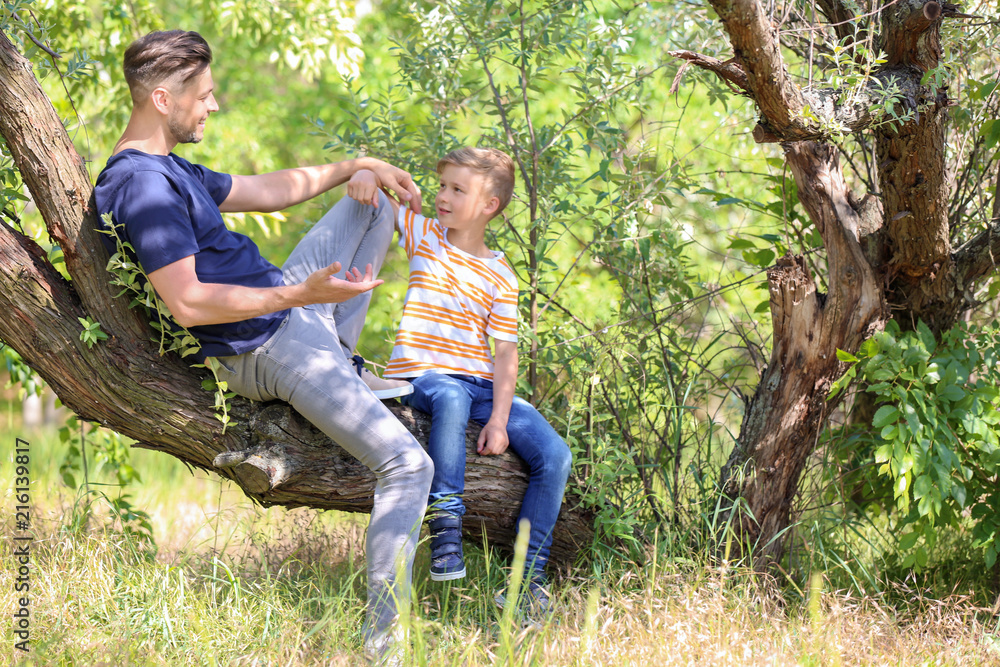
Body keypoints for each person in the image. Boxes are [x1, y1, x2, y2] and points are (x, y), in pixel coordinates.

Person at [92, 30, 431, 662]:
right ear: (164, 100)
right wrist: (299, 297)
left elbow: (266, 189)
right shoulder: (144, 188)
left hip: (288, 307)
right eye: (206, 95)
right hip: (267, 343)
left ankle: (345, 364)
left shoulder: (170, 169)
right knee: (409, 465)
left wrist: (359, 165)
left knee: (371, 204)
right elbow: (188, 302)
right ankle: (385, 649)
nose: (213, 107)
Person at [346, 147, 572, 615]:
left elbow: (506, 353)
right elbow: (380, 198)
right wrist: (366, 171)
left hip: (480, 386)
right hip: (422, 376)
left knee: (555, 454)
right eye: (442, 185)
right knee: (448, 395)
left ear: (489, 205)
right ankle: (445, 522)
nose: (442, 196)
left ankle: (527, 581)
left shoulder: (501, 273)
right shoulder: (425, 234)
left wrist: (501, 420)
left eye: (457, 189)